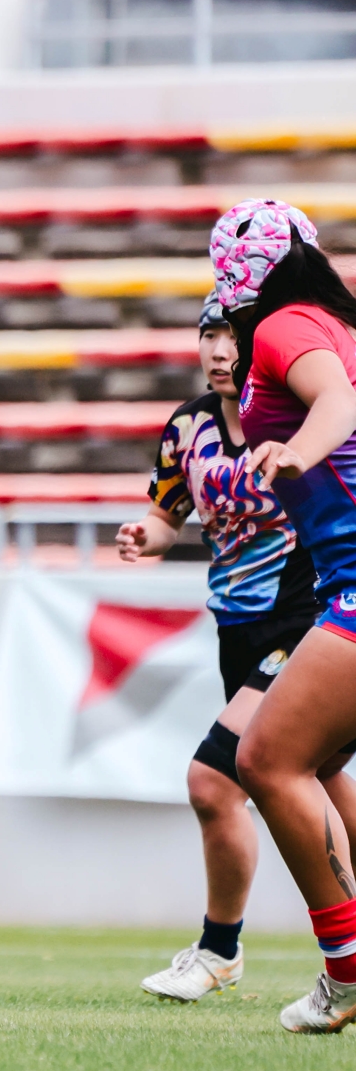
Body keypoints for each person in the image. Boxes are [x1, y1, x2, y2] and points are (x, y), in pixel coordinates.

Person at [118, 292, 356, 1003]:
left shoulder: (290, 415)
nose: (221, 352)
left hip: (304, 619)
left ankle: (220, 949)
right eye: (209, 337)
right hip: (238, 629)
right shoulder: (188, 427)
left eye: (233, 336)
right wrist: (147, 537)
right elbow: (168, 515)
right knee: (319, 778)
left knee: (214, 778)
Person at [207, 199, 356, 1032]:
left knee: (264, 759)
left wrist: (297, 450)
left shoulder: (282, 325)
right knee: (319, 761)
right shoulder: (334, 321)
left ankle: (349, 972)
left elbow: (336, 402)